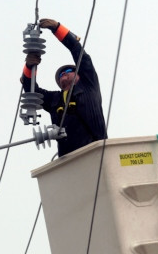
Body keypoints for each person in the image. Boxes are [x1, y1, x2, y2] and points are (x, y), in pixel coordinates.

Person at [20, 17, 108, 158]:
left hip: (96, 152)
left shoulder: (89, 85)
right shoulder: (54, 99)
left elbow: (78, 52)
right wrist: (29, 66)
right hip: (68, 160)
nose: (63, 75)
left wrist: (57, 28)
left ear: (79, 74)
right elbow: (30, 90)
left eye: (67, 72)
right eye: (60, 74)